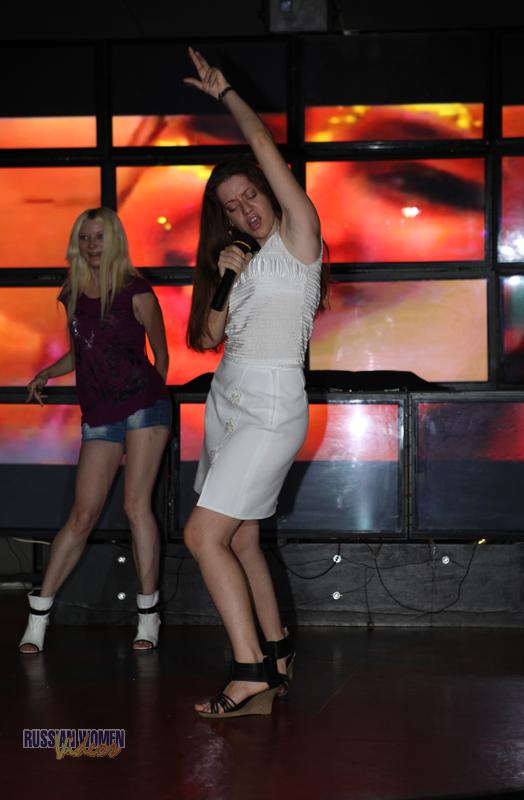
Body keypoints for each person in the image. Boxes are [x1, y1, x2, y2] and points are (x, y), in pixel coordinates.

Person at [183, 48, 327, 718]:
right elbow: (206, 340)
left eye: (250, 195)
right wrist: (226, 276)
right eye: (231, 207)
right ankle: (275, 651)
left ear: (270, 191)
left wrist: (226, 95)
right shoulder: (237, 259)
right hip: (226, 401)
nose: (245, 210)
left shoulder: (301, 241)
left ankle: (249, 673)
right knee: (238, 536)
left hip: (271, 403)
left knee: (202, 535)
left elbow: (264, 145)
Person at [19, 207, 171, 654]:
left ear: (115, 240)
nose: (91, 245)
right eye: (84, 237)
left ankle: (148, 614)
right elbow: (83, 351)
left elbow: (161, 356)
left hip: (144, 407)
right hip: (100, 413)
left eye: (99, 237)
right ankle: (39, 615)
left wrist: (148, 401)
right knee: (82, 515)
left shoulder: (136, 291)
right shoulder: (71, 293)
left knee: (136, 506)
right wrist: (48, 372)